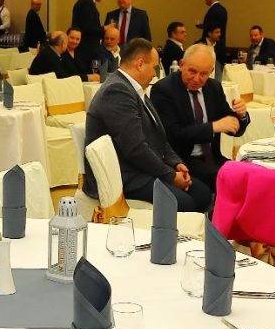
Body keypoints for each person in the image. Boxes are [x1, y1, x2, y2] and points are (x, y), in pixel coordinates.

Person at [83, 38, 202, 212]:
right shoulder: (117, 91)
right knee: (186, 203)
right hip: (125, 175)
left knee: (202, 194)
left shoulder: (134, 89)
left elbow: (159, 136)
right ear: (140, 64)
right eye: (154, 67)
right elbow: (135, 149)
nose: (154, 74)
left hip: (140, 168)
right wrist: (170, 176)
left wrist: (176, 163)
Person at [150, 44, 249, 202]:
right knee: (228, 182)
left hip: (213, 158)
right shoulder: (164, 89)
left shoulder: (214, 87)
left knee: (248, 175)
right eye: (192, 71)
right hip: (183, 161)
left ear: (211, 71)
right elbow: (173, 135)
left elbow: (233, 127)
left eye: (203, 74)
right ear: (181, 65)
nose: (197, 79)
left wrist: (241, 115)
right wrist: (213, 127)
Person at [71, 0, 106, 69]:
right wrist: (104, 28)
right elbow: (87, 27)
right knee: (94, 72)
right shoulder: (87, 3)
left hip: (89, 49)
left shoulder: (84, 2)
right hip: (89, 50)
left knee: (95, 72)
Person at [196, 0, 228, 69]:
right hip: (220, 46)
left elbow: (215, 27)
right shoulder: (222, 9)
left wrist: (204, 26)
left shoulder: (214, 10)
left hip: (214, 47)